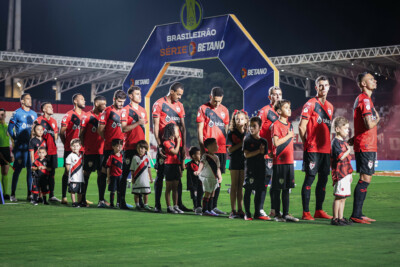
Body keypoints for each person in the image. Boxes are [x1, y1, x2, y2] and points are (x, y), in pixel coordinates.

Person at [298, 76, 333, 220]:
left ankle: (319, 210)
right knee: (310, 179)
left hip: (325, 150)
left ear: (329, 87)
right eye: (320, 85)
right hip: (313, 150)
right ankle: (306, 212)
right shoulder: (310, 104)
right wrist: (307, 143)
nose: (323, 88)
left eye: (326, 85)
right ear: (316, 87)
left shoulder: (330, 106)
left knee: (323, 180)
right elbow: (301, 127)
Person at [349, 72, 380, 224]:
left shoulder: (364, 100)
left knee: (366, 178)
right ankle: (356, 214)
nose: (374, 81)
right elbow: (369, 124)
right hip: (366, 145)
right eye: (370, 79)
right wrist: (378, 120)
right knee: (365, 178)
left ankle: (359, 213)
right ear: (363, 84)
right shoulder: (365, 100)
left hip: (367, 144)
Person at [152, 82, 188, 213]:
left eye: (181, 95)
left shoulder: (180, 106)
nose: (179, 97)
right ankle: (157, 205)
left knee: (177, 177)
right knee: (160, 175)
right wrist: (159, 144)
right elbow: (156, 127)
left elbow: (183, 127)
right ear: (171, 91)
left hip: (177, 146)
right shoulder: (159, 104)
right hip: (165, 147)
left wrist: (183, 145)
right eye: (178, 94)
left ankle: (178, 204)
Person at [197, 87, 229, 215]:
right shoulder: (203, 108)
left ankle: (213, 206)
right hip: (208, 150)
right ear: (210, 97)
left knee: (218, 180)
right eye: (215, 101)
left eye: (219, 101)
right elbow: (200, 130)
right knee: (204, 179)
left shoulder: (225, 110)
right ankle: (199, 206)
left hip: (220, 150)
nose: (217, 104)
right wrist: (201, 147)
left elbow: (225, 129)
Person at [98, 90, 127, 208]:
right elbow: (100, 129)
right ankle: (101, 200)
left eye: (123, 102)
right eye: (119, 101)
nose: (121, 104)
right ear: (114, 99)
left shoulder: (125, 111)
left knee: (121, 175)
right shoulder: (107, 111)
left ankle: (121, 201)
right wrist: (108, 140)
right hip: (109, 148)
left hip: (122, 149)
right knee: (104, 173)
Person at [271, 100, 298, 222]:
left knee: (287, 188)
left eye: (289, 107)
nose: (289, 109)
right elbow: (275, 143)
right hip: (280, 162)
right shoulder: (276, 125)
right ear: (279, 111)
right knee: (278, 188)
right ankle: (277, 214)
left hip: (289, 162)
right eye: (286, 107)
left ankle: (286, 214)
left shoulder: (290, 125)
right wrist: (289, 135)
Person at [258, 86, 282, 217]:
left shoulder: (283, 112)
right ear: (269, 97)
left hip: (278, 154)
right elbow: (256, 130)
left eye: (279, 94)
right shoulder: (265, 111)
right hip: (266, 153)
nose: (277, 96)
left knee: (277, 184)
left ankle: (274, 210)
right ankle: (260, 209)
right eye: (274, 94)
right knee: (264, 182)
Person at [121, 86, 147, 209]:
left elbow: (143, 130)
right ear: (130, 96)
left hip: (141, 149)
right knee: (125, 174)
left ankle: (140, 202)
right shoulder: (126, 110)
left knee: (140, 175)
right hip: (130, 147)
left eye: (139, 93)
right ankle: (121, 201)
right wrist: (137, 123)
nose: (139, 96)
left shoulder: (143, 110)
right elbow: (124, 128)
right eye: (137, 94)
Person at [8, 93, 37, 202]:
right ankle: (12, 194)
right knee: (18, 170)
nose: (30, 101)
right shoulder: (17, 113)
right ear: (22, 101)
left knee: (31, 170)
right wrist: (16, 140)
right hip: (21, 147)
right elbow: (10, 129)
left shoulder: (34, 114)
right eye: (28, 99)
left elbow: (35, 129)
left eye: (30, 98)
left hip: (31, 147)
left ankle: (29, 194)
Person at [79, 95, 106, 207]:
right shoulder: (87, 116)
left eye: (105, 104)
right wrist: (84, 147)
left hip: (102, 151)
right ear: (96, 104)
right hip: (90, 151)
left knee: (102, 174)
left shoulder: (105, 116)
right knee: (86, 174)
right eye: (102, 104)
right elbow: (81, 134)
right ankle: (82, 199)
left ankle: (101, 200)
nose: (104, 106)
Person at [242, 117, 270, 221]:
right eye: (250, 126)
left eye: (254, 126)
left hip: (261, 170)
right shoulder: (247, 139)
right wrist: (259, 151)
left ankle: (257, 213)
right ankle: (247, 214)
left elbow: (265, 155)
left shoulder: (264, 141)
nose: (251, 128)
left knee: (259, 191)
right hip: (250, 170)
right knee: (248, 190)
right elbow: (246, 154)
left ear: (260, 127)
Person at [60, 93, 86, 204]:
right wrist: (67, 144)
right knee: (67, 173)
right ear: (75, 101)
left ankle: (81, 198)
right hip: (70, 149)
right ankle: (64, 197)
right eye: (82, 99)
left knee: (82, 173)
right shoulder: (69, 115)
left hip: (82, 150)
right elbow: (62, 132)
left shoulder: (85, 115)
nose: (84, 101)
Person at [33, 102, 60, 202]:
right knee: (41, 173)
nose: (52, 108)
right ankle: (39, 196)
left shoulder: (53, 121)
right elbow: (33, 134)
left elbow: (56, 136)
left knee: (52, 173)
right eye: (49, 107)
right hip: (43, 152)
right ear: (44, 109)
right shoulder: (39, 120)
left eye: (52, 107)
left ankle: (51, 195)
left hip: (53, 151)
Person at [330, 117, 353, 226]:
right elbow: (340, 157)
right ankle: (335, 218)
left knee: (343, 197)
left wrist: (350, 173)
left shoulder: (343, 142)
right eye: (345, 128)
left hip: (345, 173)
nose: (348, 130)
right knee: (339, 197)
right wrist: (348, 150)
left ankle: (341, 217)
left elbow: (347, 160)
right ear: (338, 129)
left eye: (348, 128)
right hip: (340, 174)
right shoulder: (335, 142)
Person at [226, 109, 248, 219]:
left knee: (240, 187)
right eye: (237, 119)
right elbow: (230, 150)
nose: (239, 121)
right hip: (234, 161)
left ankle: (240, 210)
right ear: (234, 120)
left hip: (244, 161)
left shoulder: (248, 132)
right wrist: (242, 143)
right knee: (234, 186)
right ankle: (233, 210)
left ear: (246, 120)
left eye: (242, 119)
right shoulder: (231, 133)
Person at [194, 138, 222, 216]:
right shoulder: (205, 156)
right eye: (214, 144)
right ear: (208, 147)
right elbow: (201, 164)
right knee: (207, 193)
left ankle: (210, 209)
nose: (216, 146)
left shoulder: (216, 157)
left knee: (212, 193)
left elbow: (218, 168)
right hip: (207, 178)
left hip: (214, 178)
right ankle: (205, 210)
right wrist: (199, 171)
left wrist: (220, 177)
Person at [162, 123, 184, 214]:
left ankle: (176, 206)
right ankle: (169, 207)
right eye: (176, 130)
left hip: (175, 165)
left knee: (175, 187)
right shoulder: (166, 142)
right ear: (171, 131)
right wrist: (178, 142)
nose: (177, 132)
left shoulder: (174, 142)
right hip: (169, 166)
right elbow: (174, 152)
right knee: (169, 188)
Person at [130, 140, 153, 211]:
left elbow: (149, 169)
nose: (140, 149)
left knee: (145, 193)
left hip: (145, 179)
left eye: (142, 148)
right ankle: (137, 205)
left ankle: (145, 205)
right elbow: (132, 169)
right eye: (139, 148)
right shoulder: (134, 158)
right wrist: (132, 178)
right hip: (137, 179)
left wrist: (151, 178)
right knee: (136, 193)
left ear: (145, 149)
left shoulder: (147, 158)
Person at [65, 138, 84, 207]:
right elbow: (67, 166)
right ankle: (74, 202)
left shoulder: (82, 155)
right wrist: (70, 174)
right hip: (73, 177)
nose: (75, 147)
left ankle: (79, 202)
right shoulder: (70, 156)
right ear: (71, 147)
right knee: (73, 190)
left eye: (77, 145)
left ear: (80, 146)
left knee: (80, 191)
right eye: (73, 146)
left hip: (80, 177)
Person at [0, 108, 13, 200]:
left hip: (6, 150)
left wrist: (12, 154)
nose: (0, 116)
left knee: (5, 172)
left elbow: (12, 140)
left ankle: (5, 193)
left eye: (2, 114)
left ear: (5, 115)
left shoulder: (8, 126)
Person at [106, 139, 124, 208]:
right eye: (117, 146)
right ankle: (111, 203)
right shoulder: (111, 157)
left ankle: (118, 203)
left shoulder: (123, 156)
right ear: (113, 147)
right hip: (113, 176)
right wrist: (108, 177)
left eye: (120, 146)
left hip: (120, 177)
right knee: (113, 191)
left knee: (119, 191)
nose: (119, 148)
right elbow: (108, 168)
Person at [186, 146, 202, 215]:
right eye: (198, 154)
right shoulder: (190, 164)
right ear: (193, 156)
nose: (200, 155)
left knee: (199, 196)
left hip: (199, 183)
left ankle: (198, 206)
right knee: (194, 196)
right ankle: (196, 207)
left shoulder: (200, 163)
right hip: (193, 184)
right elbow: (184, 166)